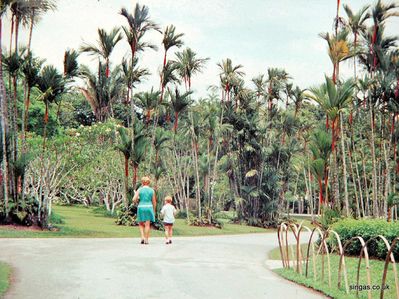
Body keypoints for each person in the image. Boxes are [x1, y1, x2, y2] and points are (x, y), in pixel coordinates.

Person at [133, 176, 156, 245]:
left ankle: (142, 237)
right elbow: (154, 202)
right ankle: (146, 239)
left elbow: (134, 199)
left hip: (141, 207)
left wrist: (137, 200)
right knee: (147, 224)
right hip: (149, 207)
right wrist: (154, 210)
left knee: (140, 223)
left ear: (142, 182)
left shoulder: (139, 190)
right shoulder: (152, 190)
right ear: (149, 182)